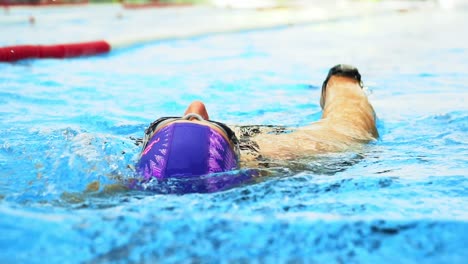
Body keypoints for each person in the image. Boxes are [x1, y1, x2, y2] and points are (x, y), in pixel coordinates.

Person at [136, 64, 378, 183]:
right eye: (224, 130)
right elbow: (350, 123)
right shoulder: (272, 156)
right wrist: (341, 82)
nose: (196, 107)